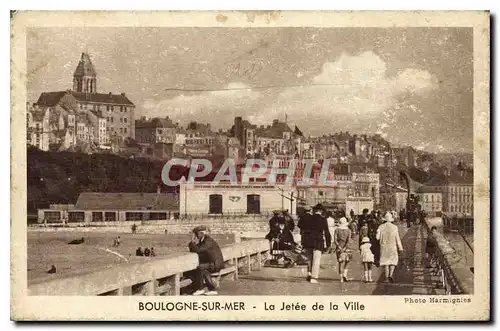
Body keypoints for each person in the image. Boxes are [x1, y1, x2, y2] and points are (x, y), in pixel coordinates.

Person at [188, 225, 224, 296]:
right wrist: (192, 243)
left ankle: (200, 289)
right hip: (212, 263)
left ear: (201, 234)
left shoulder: (208, 241)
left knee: (200, 268)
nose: (196, 236)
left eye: (196, 234)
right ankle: (211, 289)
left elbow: (198, 250)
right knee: (203, 270)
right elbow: (194, 250)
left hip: (215, 264)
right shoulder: (203, 241)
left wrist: (192, 242)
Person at [301, 204, 331, 283]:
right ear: (321, 211)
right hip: (318, 241)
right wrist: (328, 244)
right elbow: (327, 232)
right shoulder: (323, 219)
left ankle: (309, 273)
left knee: (309, 259)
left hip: (308, 241)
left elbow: (302, 228)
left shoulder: (309, 218)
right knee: (316, 260)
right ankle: (313, 277)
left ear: (315, 210)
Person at [376, 212, 404, 283]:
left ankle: (386, 277)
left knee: (385, 262)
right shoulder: (395, 227)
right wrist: (400, 248)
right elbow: (397, 239)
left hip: (384, 247)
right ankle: (390, 275)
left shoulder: (380, 227)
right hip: (392, 247)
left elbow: (377, 238)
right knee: (392, 261)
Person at [334, 217, 352, 282]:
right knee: (347, 262)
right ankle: (345, 275)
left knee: (340, 263)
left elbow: (335, 240)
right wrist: (345, 247)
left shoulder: (337, 230)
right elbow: (348, 240)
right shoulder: (349, 230)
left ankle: (341, 278)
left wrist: (339, 247)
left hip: (339, 247)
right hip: (347, 248)